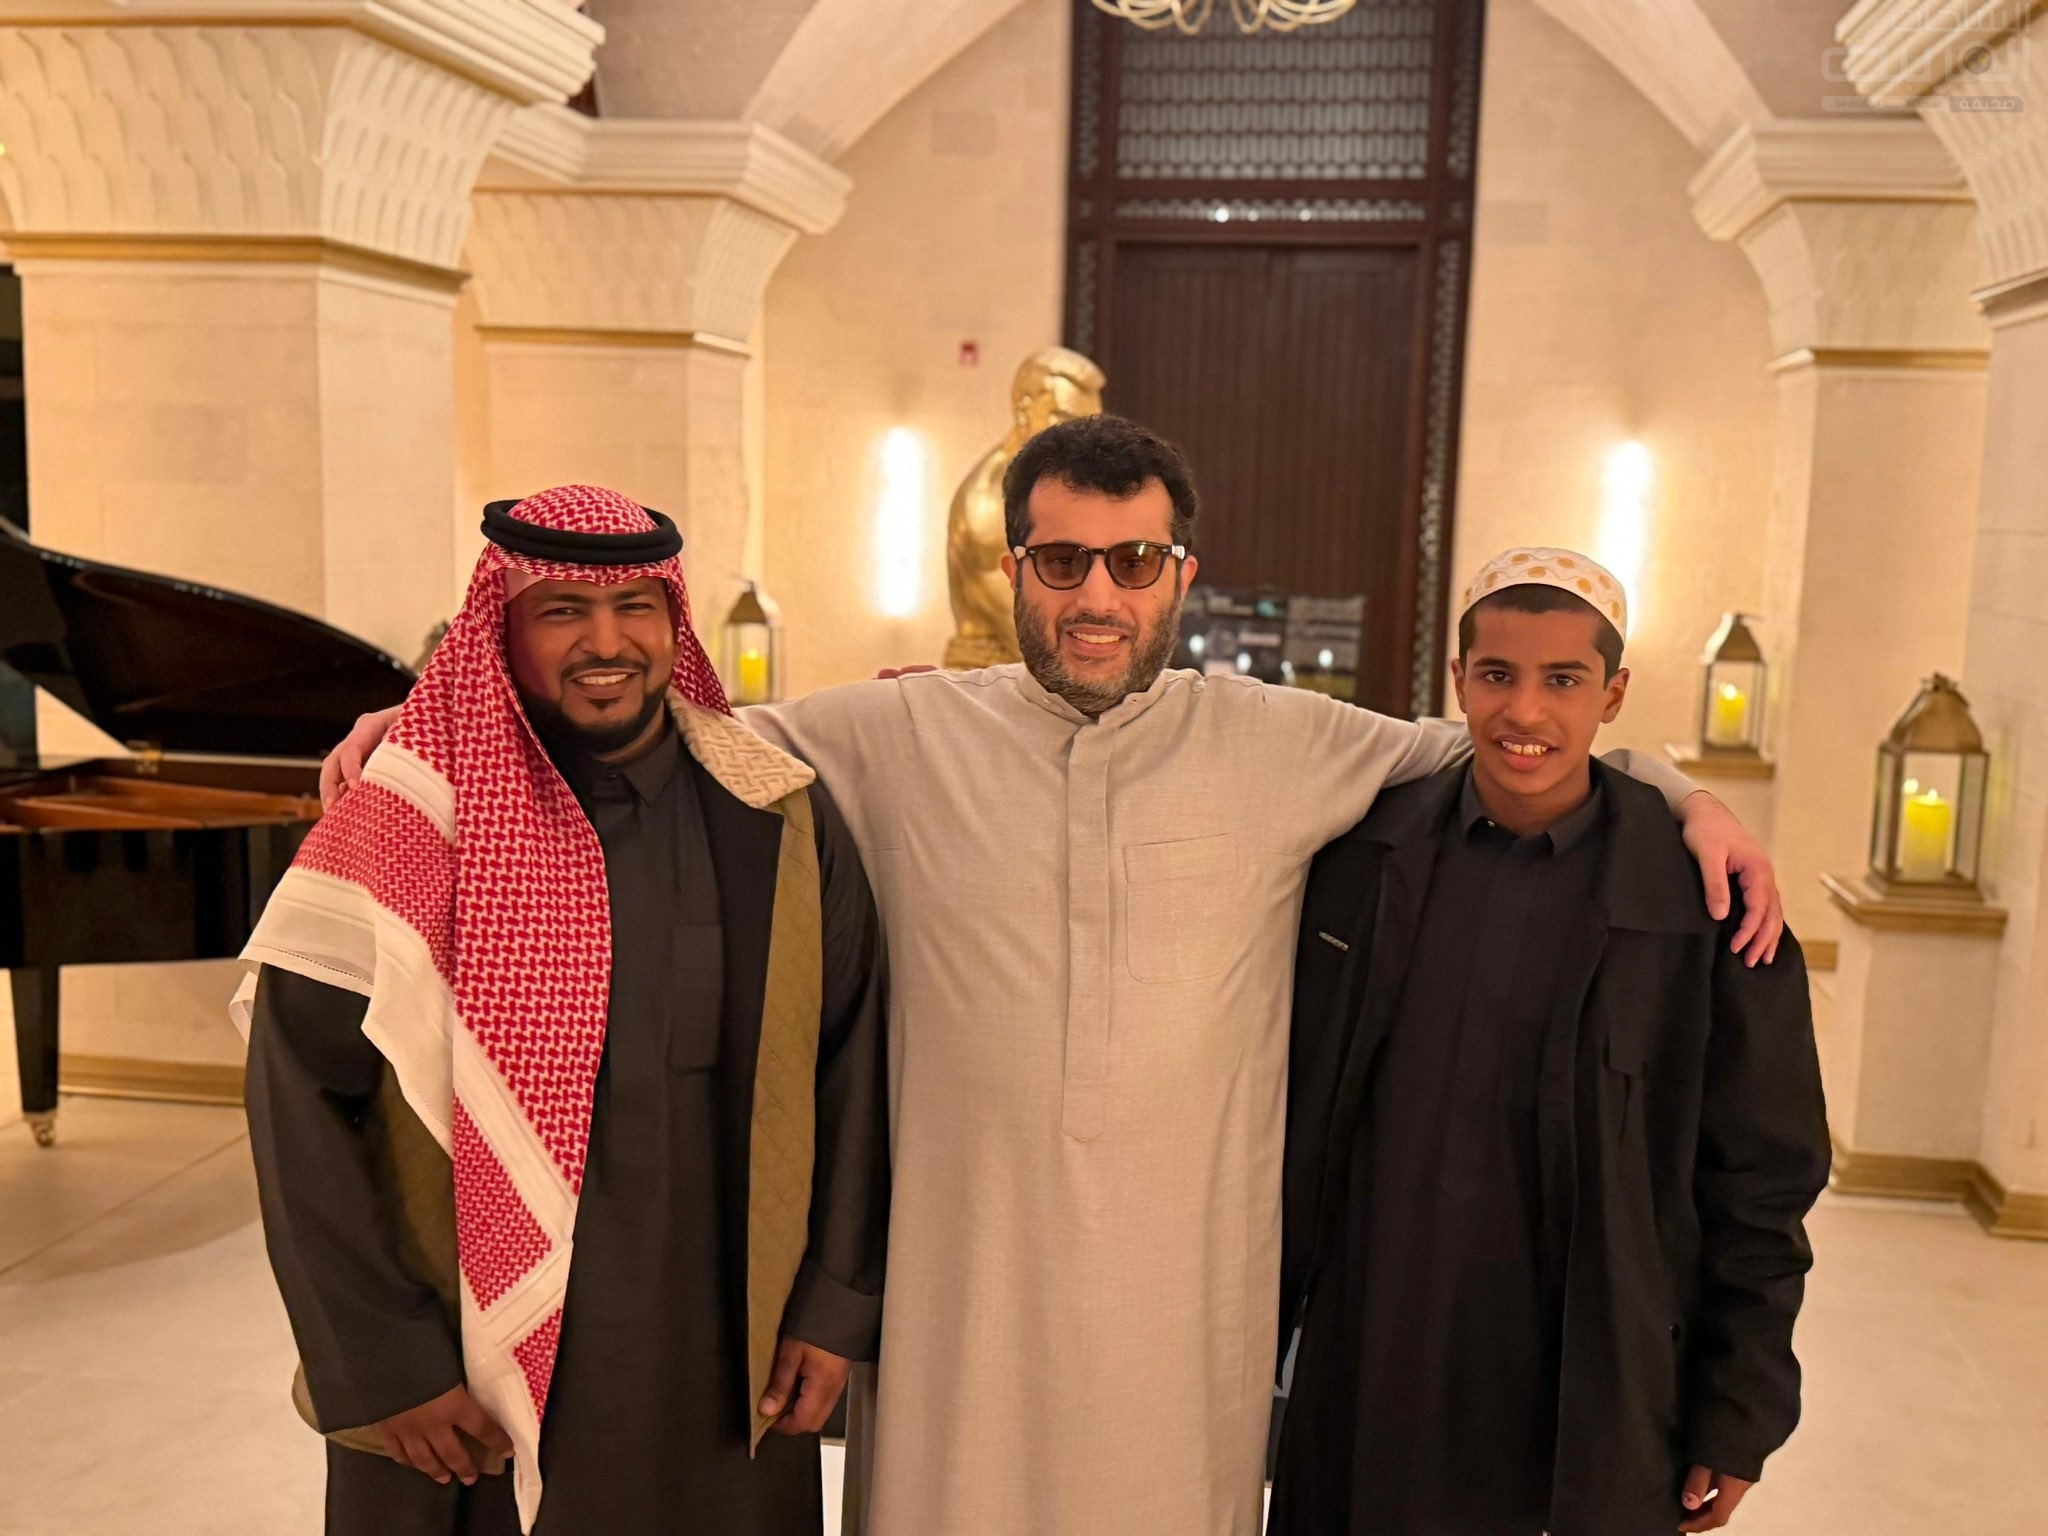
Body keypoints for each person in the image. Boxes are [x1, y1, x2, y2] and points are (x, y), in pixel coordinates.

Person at [320, 424, 1783, 1536]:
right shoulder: (894, 737)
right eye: (1062, 560)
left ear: (1180, 575)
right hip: (956, 1294)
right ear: (1011, 569)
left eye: (1134, 563)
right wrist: (431, 721)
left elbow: (1509, 744)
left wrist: (1685, 794)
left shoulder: (1288, 742)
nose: (1098, 594)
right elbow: (672, 724)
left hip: (1185, 1304)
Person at [236, 485, 889, 1535]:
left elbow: (850, 1065)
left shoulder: (776, 818)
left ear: (674, 621)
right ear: (499, 627)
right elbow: (300, 1099)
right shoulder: (405, 824)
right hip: (463, 1374)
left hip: (720, 1353)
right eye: (562, 611)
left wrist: (831, 1304)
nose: (607, 641)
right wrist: (385, 1364)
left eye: (636, 606)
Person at [1270, 550, 1828, 1536]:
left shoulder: (1701, 908)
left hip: (1591, 1383)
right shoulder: (1357, 861)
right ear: (1458, 682)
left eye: (1562, 680)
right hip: (1371, 1363)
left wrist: (1737, 1407)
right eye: (1497, 674)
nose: (1523, 711)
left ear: (1612, 695)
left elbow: (1761, 1182)